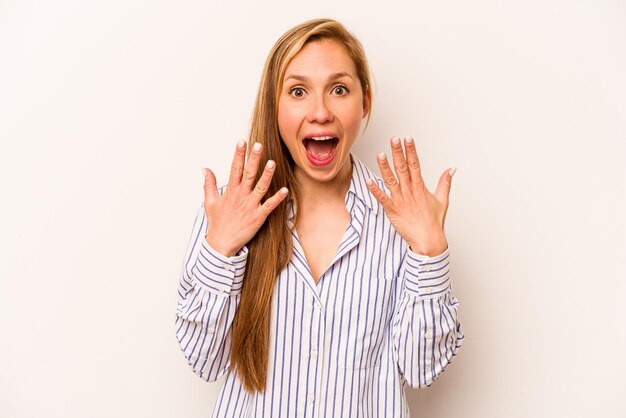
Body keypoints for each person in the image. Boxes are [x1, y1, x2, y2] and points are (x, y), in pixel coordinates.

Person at [175, 18, 464, 418]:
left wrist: (430, 251)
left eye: (339, 89)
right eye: (297, 92)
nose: (320, 112)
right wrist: (222, 250)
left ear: (365, 102)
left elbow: (420, 370)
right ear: (275, 108)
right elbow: (203, 362)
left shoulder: (402, 222)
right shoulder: (230, 210)